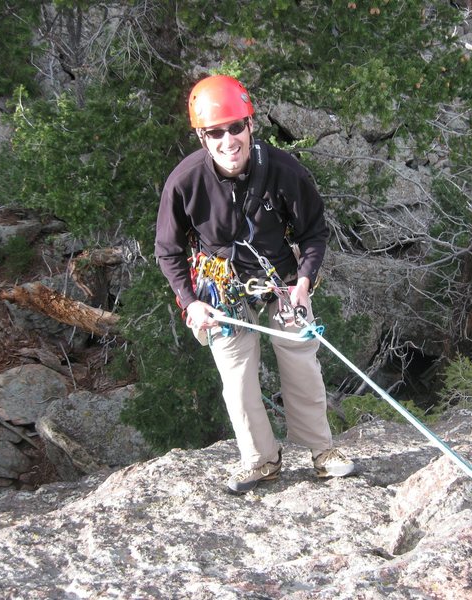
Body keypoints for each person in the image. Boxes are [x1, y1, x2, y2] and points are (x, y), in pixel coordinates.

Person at [155, 74, 355, 494]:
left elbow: (313, 233)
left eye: (235, 128)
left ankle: (322, 451)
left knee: (301, 359)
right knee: (237, 377)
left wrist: (304, 282)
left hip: (279, 279)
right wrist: (190, 302)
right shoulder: (185, 181)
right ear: (202, 136)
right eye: (215, 132)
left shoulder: (283, 171)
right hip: (220, 289)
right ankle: (260, 459)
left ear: (250, 125)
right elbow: (168, 250)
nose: (228, 141)